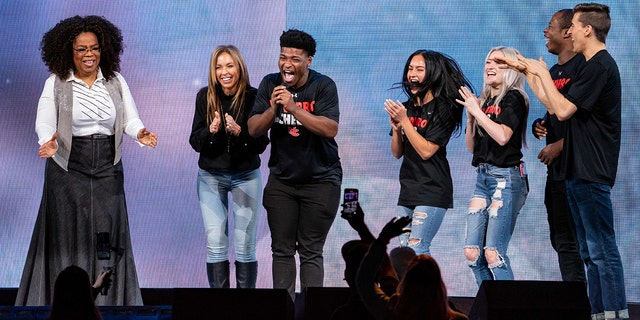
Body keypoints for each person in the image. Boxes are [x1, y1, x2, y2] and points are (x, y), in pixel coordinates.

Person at [498, 4, 628, 319]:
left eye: (574, 26)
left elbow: (565, 110)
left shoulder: (599, 66)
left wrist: (539, 71)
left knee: (601, 250)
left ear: (587, 29)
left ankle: (614, 313)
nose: (568, 32)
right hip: (575, 171)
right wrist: (530, 71)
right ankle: (599, 313)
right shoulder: (589, 65)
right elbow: (554, 107)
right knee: (588, 252)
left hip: (591, 170)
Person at [17, 15, 156, 306]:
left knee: (106, 238)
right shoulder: (56, 82)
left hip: (107, 166)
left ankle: (109, 304)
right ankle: (65, 303)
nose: (89, 54)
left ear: (103, 49)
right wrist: (48, 141)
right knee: (68, 238)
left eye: (93, 48)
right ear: (69, 51)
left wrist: (140, 133)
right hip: (68, 168)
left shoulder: (115, 82)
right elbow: (44, 121)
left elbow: (130, 118)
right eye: (81, 49)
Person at [248, 29, 342, 300]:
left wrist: (294, 107)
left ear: (309, 61)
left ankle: (312, 311)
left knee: (311, 250)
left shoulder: (324, 86)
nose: (287, 64)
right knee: (282, 249)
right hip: (282, 181)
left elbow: (330, 128)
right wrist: (274, 108)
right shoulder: (270, 84)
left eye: (295, 58)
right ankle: (283, 310)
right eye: (283, 57)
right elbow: (254, 129)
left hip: (321, 180)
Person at [189, 45, 269, 289]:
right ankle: (220, 309)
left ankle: (244, 310)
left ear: (239, 67)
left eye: (229, 65)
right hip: (211, 177)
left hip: (246, 176)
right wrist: (211, 132)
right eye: (219, 66)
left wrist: (239, 132)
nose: (224, 71)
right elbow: (195, 141)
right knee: (216, 243)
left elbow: (261, 144)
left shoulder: (255, 97)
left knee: (245, 245)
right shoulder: (205, 96)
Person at [384, 50, 473, 256]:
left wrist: (405, 122)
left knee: (417, 248)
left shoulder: (444, 108)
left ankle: (426, 289)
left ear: (432, 73)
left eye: (419, 69)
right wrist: (397, 130)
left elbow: (426, 151)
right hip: (408, 189)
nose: (412, 74)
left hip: (432, 189)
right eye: (410, 68)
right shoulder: (407, 108)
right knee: (403, 251)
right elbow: (397, 153)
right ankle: (406, 289)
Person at [456, 46, 529, 287]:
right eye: (488, 61)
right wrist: (471, 117)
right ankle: (489, 305)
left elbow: (502, 136)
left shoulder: (514, 98)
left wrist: (477, 111)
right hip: (483, 177)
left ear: (511, 69)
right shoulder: (486, 100)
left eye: (498, 62)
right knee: (472, 253)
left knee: (493, 253)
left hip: (505, 179)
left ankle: (507, 308)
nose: (490, 66)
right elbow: (471, 147)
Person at [533, 9, 586, 283]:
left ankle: (589, 306)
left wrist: (561, 145)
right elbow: (553, 111)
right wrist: (540, 125)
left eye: (550, 25)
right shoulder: (552, 72)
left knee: (580, 245)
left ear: (567, 31)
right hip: (555, 174)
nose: (545, 31)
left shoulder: (585, 67)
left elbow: (590, 122)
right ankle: (575, 301)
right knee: (561, 241)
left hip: (578, 172)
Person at [356, 217, 468, 320]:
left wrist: (383, 238)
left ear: (406, 281)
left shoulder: (391, 312)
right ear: (439, 285)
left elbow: (364, 280)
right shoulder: (458, 319)